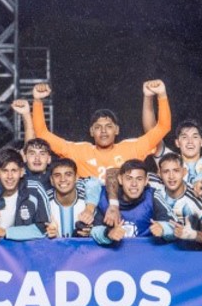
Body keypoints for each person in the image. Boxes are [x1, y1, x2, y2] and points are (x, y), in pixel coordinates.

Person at [30, 80, 172, 181]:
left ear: (117, 130)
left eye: (108, 126)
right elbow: (42, 134)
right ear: (91, 132)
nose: (103, 131)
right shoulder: (78, 151)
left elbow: (163, 127)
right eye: (98, 127)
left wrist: (162, 95)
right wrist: (37, 101)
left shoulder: (132, 148)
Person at [149, 153, 202, 246]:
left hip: (187, 249)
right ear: (159, 173)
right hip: (159, 247)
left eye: (176, 171)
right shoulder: (153, 182)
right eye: (166, 171)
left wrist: (194, 235)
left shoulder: (195, 198)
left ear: (184, 172)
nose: (171, 176)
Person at [0, 149, 51, 243]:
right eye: (5, 171)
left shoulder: (35, 189)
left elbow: (45, 228)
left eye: (14, 170)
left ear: (22, 172)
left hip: (27, 249)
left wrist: (6, 232)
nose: (9, 176)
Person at [91, 160, 160, 245]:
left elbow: (170, 224)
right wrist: (108, 233)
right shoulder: (105, 197)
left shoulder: (153, 196)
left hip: (146, 251)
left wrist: (164, 229)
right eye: (129, 178)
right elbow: (94, 230)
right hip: (112, 252)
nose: (134, 184)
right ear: (120, 179)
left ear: (146, 181)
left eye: (139, 179)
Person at [44, 158, 95, 238]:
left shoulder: (88, 198)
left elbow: (94, 182)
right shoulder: (44, 201)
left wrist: (91, 232)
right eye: (57, 175)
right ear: (51, 180)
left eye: (68, 174)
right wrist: (45, 234)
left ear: (76, 178)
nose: (63, 179)